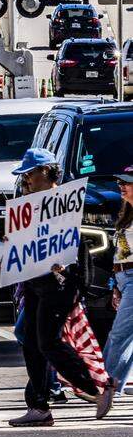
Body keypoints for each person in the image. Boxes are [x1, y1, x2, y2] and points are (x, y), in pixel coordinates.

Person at [7, 149, 100, 426]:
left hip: (57, 285)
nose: (26, 181)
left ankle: (94, 385)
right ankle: (39, 405)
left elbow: (74, 245)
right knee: (29, 337)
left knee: (46, 341)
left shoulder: (63, 203)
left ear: (46, 172)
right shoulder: (31, 203)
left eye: (30, 174)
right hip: (36, 284)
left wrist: (74, 279)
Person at [99, 164, 133, 417]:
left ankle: (106, 383)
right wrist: (115, 285)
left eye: (127, 182)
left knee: (119, 334)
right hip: (122, 276)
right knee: (127, 337)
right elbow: (119, 251)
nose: (121, 186)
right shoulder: (126, 212)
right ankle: (114, 385)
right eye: (120, 183)